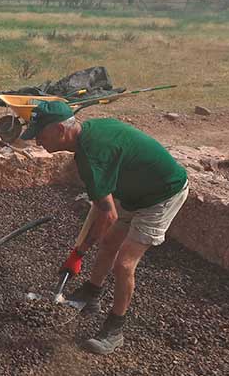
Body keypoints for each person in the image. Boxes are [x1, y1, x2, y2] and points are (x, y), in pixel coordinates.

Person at [20, 101, 188, 355]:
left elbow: (108, 216)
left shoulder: (90, 157)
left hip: (162, 195)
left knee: (124, 264)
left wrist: (80, 252)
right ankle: (92, 293)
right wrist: (80, 251)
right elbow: (102, 204)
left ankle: (114, 330)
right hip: (134, 192)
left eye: (40, 135)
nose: (37, 143)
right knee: (109, 242)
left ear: (58, 130)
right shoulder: (91, 131)